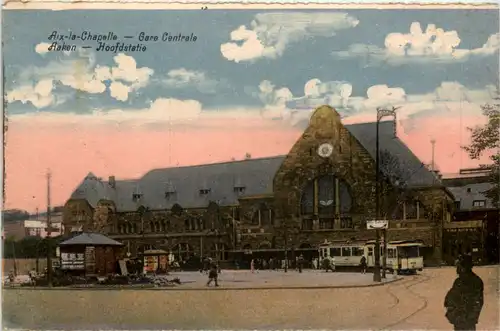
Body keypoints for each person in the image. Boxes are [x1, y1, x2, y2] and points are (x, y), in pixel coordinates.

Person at [444, 254, 484, 331]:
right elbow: (449, 299)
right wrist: (452, 313)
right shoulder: (458, 281)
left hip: (468, 322)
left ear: (464, 268)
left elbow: (478, 302)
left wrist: (469, 318)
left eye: (459, 266)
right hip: (458, 321)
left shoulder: (476, 281)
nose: (457, 269)